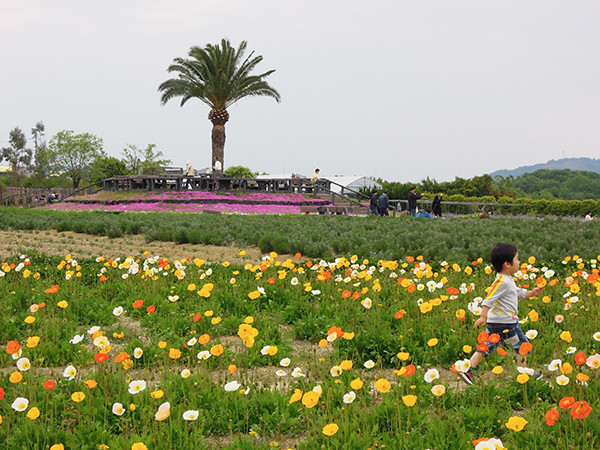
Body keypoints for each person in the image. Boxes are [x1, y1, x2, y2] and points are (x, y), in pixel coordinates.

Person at [459, 243, 544, 385]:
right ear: (507, 264)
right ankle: (523, 374)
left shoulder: (506, 280)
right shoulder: (502, 281)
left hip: (497, 322)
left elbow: (516, 292)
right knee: (522, 345)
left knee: (488, 346)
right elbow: (489, 298)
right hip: (506, 322)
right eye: (517, 259)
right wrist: (482, 316)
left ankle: (468, 371)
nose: (519, 262)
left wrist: (531, 293)